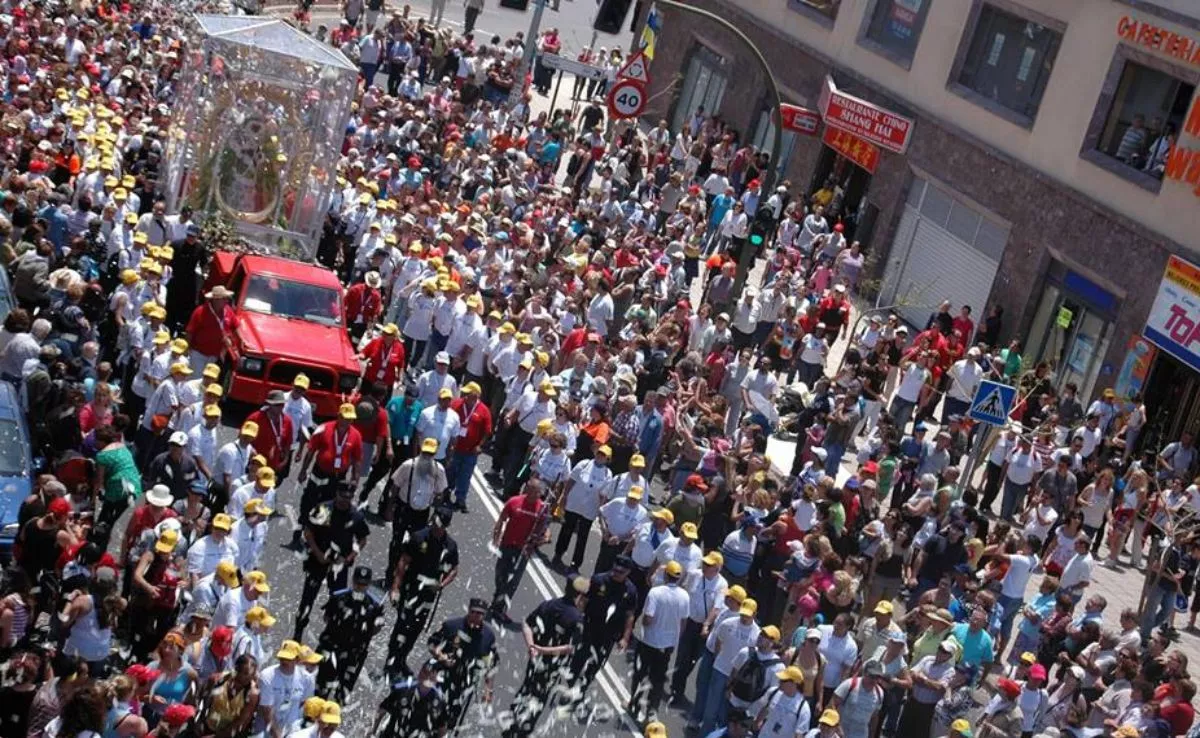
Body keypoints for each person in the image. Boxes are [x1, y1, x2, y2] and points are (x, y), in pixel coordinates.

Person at [502, 576, 588, 738]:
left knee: (526, 687)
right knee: (539, 697)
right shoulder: (577, 618)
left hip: (535, 659)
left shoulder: (549, 605)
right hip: (552, 664)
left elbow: (527, 623)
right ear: (579, 595)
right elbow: (570, 648)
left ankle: (511, 723)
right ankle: (523, 731)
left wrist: (532, 646)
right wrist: (542, 650)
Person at [387, 506, 459, 676]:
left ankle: (402, 658)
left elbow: (454, 569)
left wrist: (442, 584)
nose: (435, 526)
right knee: (402, 625)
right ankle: (391, 659)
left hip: (428, 594)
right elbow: (403, 562)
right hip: (411, 588)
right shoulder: (419, 537)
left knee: (416, 628)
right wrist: (395, 587)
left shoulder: (450, 546)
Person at [294, 483, 370, 642]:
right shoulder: (323, 510)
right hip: (318, 559)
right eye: (343, 497)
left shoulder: (355, 516)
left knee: (338, 600)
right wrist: (318, 552)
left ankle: (331, 632)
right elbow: (308, 532)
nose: (345, 501)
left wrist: (350, 557)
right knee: (308, 597)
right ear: (336, 494)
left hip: (339, 565)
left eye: (349, 498)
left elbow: (362, 539)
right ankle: (298, 632)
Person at [631, 559, 691, 724]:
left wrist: (643, 624)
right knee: (657, 680)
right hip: (667, 646)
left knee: (640, 673)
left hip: (649, 641)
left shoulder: (655, 593)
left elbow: (648, 619)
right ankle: (652, 711)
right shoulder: (685, 596)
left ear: (666, 575)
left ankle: (634, 703)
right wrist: (673, 638)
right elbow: (683, 623)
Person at [315, 565, 386, 703]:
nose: (360, 587)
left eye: (364, 584)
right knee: (322, 688)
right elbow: (326, 617)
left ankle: (331, 721)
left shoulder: (374, 606)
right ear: (353, 581)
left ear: (368, 584)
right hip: (333, 648)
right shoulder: (339, 597)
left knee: (342, 694)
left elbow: (376, 628)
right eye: (358, 583)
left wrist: (367, 630)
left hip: (354, 654)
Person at [427, 599, 498, 731]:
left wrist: (488, 690)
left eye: (480, 614)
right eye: (474, 612)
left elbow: (490, 664)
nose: (476, 616)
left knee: (451, 717)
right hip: (442, 674)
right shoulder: (452, 625)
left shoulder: (488, 637)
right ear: (469, 611)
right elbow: (432, 643)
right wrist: (440, 656)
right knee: (432, 708)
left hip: (465, 681)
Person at [490, 478, 552, 623]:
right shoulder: (514, 501)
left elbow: (546, 527)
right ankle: (498, 597)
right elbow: (501, 520)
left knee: (513, 581)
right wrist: (496, 538)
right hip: (506, 545)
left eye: (535, 492)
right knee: (500, 574)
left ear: (540, 493)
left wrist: (545, 538)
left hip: (524, 549)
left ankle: (501, 608)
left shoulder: (542, 508)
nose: (530, 493)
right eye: (529, 489)